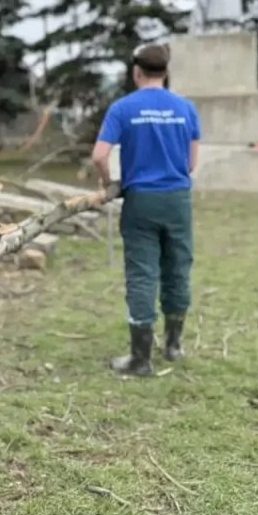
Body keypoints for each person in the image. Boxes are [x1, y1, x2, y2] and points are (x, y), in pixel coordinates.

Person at [91, 43, 200, 377]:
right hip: (178, 200)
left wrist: (110, 183)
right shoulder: (186, 108)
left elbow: (99, 155)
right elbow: (191, 164)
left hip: (141, 201)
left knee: (142, 273)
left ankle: (140, 359)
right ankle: (173, 346)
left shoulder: (123, 108)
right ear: (166, 72)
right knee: (177, 268)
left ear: (136, 72)